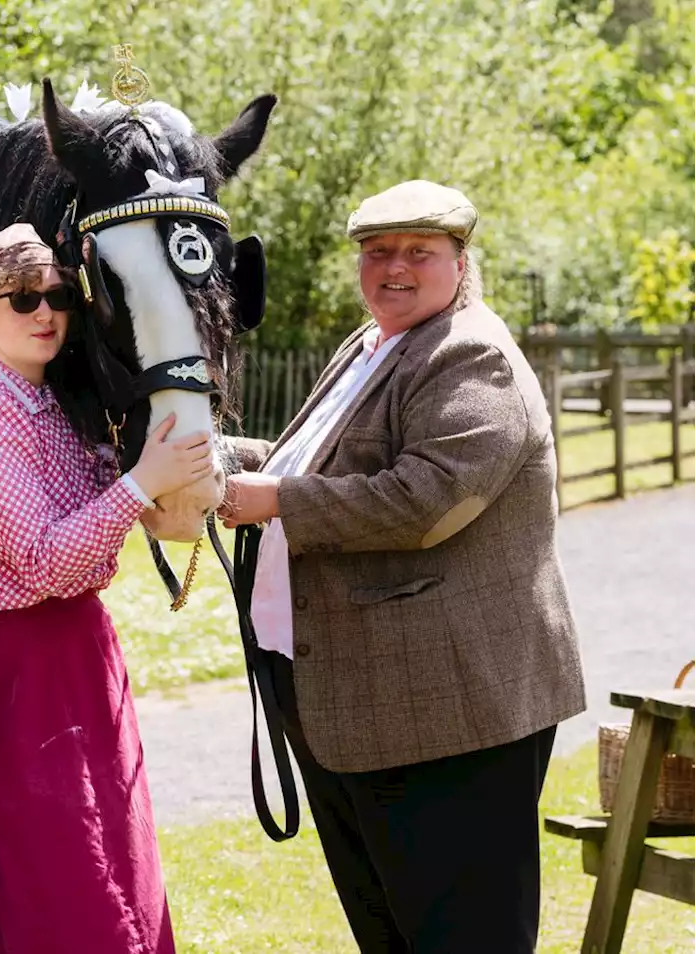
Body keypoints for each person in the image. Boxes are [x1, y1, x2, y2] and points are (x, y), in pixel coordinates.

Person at [218, 180, 586, 953]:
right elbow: (311, 464)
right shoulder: (374, 343)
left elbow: (428, 500)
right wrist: (217, 466)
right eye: (378, 251)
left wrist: (274, 500)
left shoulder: (469, 353)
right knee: (393, 930)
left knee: (464, 936)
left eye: (419, 252)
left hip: (447, 709)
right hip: (357, 701)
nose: (394, 268)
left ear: (460, 261)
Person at [0, 223, 211, 954]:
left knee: (114, 849)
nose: (45, 311)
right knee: (59, 877)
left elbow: (105, 514)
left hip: (80, 653)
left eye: (57, 295)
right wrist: (142, 479)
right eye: (22, 298)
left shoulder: (50, 404)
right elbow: (46, 560)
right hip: (20, 675)